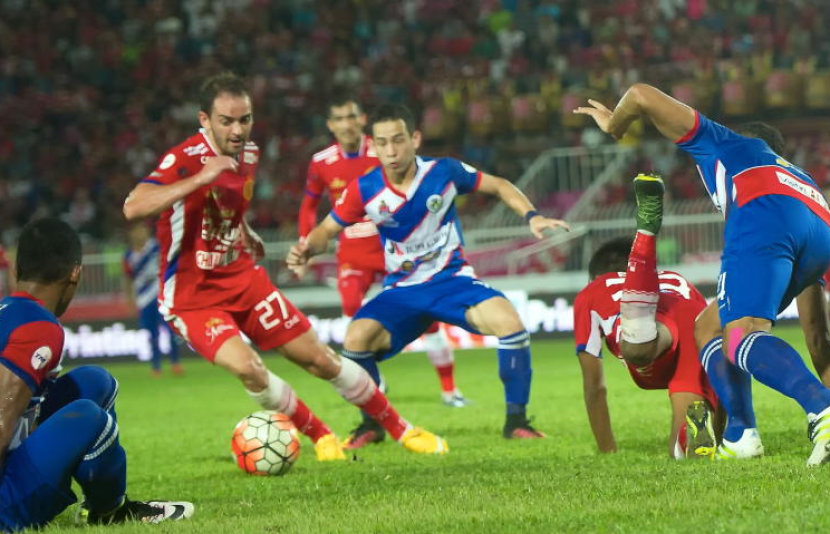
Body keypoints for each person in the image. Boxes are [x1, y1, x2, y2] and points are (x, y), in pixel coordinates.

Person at [123, 72, 447, 460]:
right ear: (204, 119)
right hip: (192, 295)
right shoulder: (185, 158)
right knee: (249, 368)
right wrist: (201, 177)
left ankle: (403, 430)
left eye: (244, 119)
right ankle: (322, 436)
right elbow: (134, 206)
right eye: (226, 121)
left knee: (321, 359)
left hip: (242, 277)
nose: (237, 129)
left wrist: (244, 230)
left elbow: (225, 206)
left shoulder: (250, 154)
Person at [576, 84, 830, 465]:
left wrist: (615, 125)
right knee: (709, 327)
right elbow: (816, 335)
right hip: (819, 227)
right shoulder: (800, 177)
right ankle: (740, 434)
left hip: (763, 216)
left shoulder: (727, 144)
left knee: (741, 334)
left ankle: (821, 408)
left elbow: (641, 94)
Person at [288, 103, 570, 439]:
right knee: (356, 339)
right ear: (374, 145)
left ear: (415, 139)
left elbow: (499, 185)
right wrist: (307, 248)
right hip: (402, 291)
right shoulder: (365, 188)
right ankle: (371, 425)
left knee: (510, 324)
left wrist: (532, 216)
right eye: (382, 143)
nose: (391, 151)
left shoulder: (444, 171)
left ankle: (517, 422)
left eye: (398, 140)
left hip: (452, 281)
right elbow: (326, 230)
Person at [0, 218, 193, 534]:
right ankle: (109, 511)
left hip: (11, 459)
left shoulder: (10, 312)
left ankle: (101, 504)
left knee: (93, 382)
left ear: (17, 269)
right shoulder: (37, 327)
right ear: (75, 272)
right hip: (4, 503)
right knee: (89, 417)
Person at [299, 97, 467, 449]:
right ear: (330, 125)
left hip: (393, 248)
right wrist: (306, 244)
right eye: (339, 118)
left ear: (361, 120)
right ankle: (374, 389)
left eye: (351, 117)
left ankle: (450, 390)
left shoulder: (383, 147)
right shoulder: (320, 162)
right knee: (353, 316)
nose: (346, 124)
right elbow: (309, 205)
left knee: (428, 320)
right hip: (353, 253)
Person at [573, 174, 719, 459]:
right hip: (691, 320)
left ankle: (644, 246)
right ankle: (712, 437)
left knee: (638, 349)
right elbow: (710, 348)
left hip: (650, 333)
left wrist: (607, 450)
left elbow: (594, 386)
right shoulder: (675, 278)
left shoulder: (593, 290)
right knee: (687, 446)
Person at [123, 221, 184, 377]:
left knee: (170, 329)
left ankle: (175, 362)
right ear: (131, 234)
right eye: (136, 230)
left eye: (142, 230)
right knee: (152, 334)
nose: (139, 234)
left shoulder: (156, 248)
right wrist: (130, 300)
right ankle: (156, 366)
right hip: (143, 299)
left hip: (161, 295)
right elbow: (128, 279)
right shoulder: (128, 256)